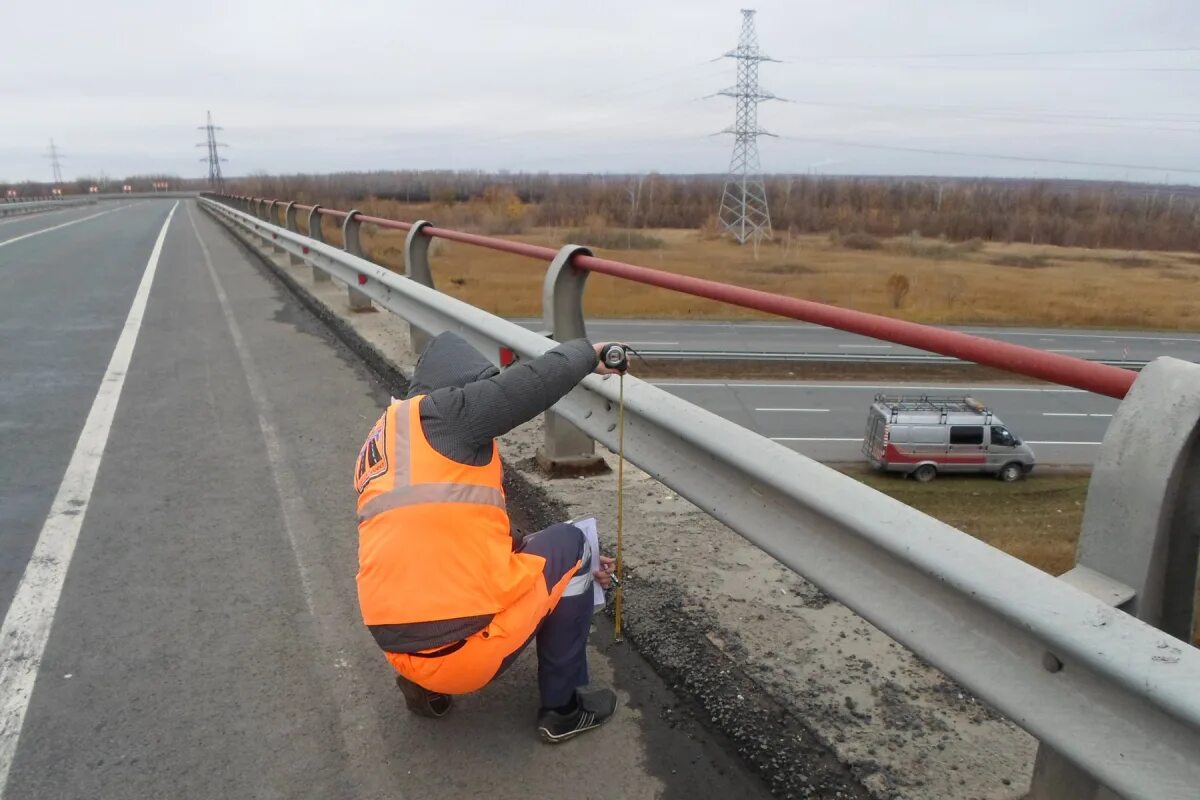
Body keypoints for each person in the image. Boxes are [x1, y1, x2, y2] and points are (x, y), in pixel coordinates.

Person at [353, 332, 626, 743]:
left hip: (397, 647)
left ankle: (423, 687)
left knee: (420, 574)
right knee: (575, 543)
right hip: (463, 656)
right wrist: (589, 354)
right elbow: (530, 386)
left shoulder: (386, 439)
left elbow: (454, 532)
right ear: (459, 388)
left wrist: (546, 557)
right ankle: (563, 708)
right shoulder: (450, 413)